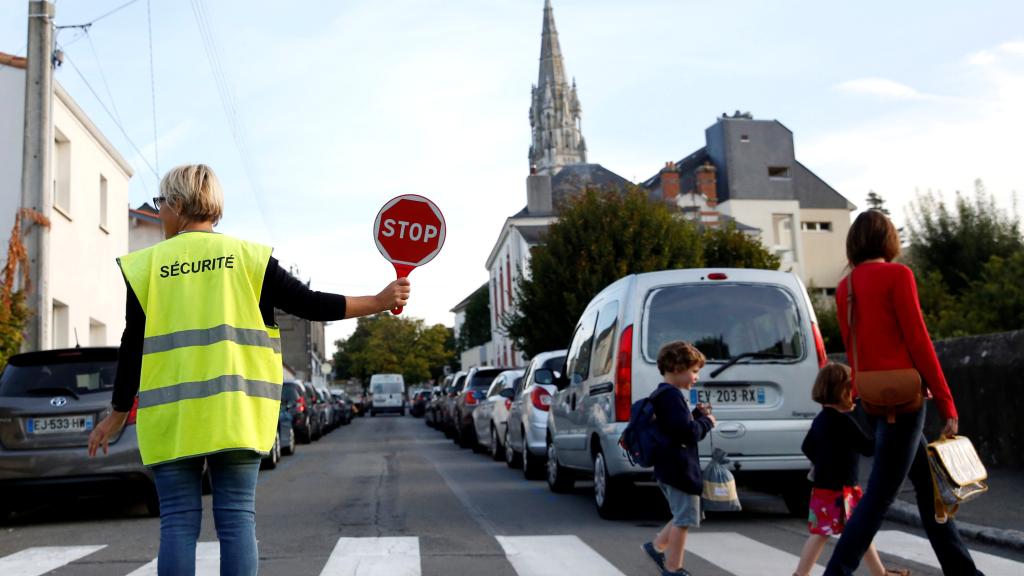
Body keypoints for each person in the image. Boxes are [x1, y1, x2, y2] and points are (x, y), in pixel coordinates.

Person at [87, 164, 410, 576]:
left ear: (180, 205)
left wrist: (115, 416)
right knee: (237, 520)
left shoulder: (145, 266)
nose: (160, 212)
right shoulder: (250, 259)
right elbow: (309, 304)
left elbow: (132, 347)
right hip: (237, 416)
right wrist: (379, 301)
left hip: (172, 418)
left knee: (179, 523)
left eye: (161, 204)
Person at [824, 209, 981, 575]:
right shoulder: (898, 274)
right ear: (888, 239)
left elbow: (852, 345)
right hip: (906, 398)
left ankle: (964, 571)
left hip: (873, 397)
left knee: (928, 494)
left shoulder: (846, 286)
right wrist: (945, 399)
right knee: (879, 497)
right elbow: (919, 339)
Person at [795, 363, 908, 576]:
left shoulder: (821, 419)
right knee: (854, 531)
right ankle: (878, 572)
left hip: (824, 486)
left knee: (836, 533)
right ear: (844, 391)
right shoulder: (843, 421)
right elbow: (868, 447)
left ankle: (878, 572)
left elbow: (807, 446)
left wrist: (824, 461)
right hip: (843, 488)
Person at [642, 341, 716, 576]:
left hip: (670, 467)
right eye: (694, 371)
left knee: (681, 515)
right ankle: (673, 568)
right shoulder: (671, 396)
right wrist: (706, 423)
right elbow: (687, 432)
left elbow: (675, 427)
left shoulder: (664, 394)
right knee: (683, 519)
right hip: (679, 469)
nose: (696, 376)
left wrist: (694, 415)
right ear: (676, 368)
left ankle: (656, 547)